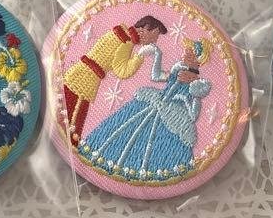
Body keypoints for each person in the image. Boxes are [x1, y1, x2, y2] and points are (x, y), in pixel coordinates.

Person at [81, 37, 211, 180]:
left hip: (174, 120)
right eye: (186, 51)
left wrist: (189, 97)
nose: (184, 54)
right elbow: (156, 76)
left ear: (198, 59)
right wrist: (157, 54)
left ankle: (146, 175)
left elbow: (193, 115)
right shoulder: (178, 69)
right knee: (126, 129)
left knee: (156, 147)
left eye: (189, 54)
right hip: (155, 103)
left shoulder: (199, 84)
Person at [62, 16, 167, 141]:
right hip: (84, 81)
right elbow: (122, 70)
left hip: (80, 74)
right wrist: (140, 55)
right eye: (155, 35)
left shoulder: (120, 32)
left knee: (66, 109)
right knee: (72, 119)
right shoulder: (125, 41)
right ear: (145, 29)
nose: (154, 41)